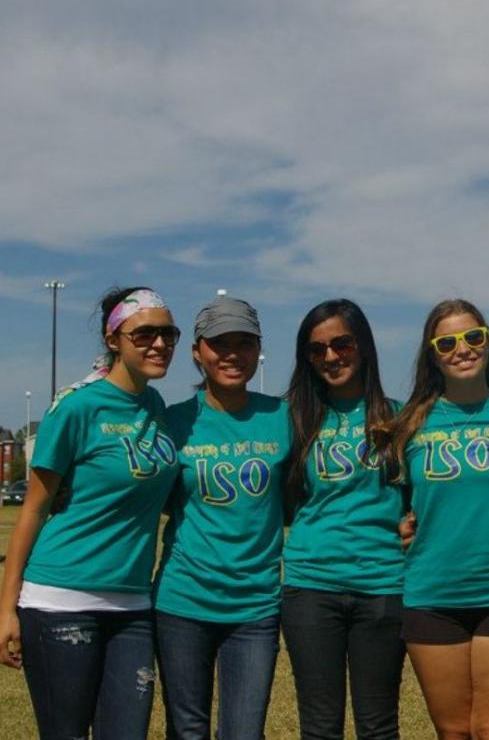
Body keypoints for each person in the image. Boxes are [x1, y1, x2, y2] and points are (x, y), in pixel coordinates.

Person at [0, 286, 181, 740]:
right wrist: (4, 611)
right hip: (60, 600)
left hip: (134, 605)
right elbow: (34, 511)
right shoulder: (77, 406)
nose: (159, 344)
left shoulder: (154, 407)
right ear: (113, 339)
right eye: (145, 334)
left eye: (168, 334)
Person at [378, 299, 489, 740]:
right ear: (433, 354)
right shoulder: (411, 422)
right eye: (448, 341)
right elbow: (390, 500)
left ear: (488, 342)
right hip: (433, 592)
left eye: (474, 337)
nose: (463, 349)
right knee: (453, 732)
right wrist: (399, 524)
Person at [153, 295, 292, 739]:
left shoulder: (284, 417)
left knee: (244, 733)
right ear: (197, 350)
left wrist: (402, 515)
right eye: (219, 343)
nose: (232, 354)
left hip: (255, 607)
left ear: (259, 349)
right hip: (182, 603)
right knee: (187, 731)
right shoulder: (173, 421)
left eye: (244, 343)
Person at [281, 299, 406, 740]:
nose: (331, 357)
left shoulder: (399, 418)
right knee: (319, 728)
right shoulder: (292, 418)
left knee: (378, 726)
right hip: (312, 588)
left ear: (364, 346)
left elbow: (424, 496)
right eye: (317, 350)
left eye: (341, 344)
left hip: (383, 588)